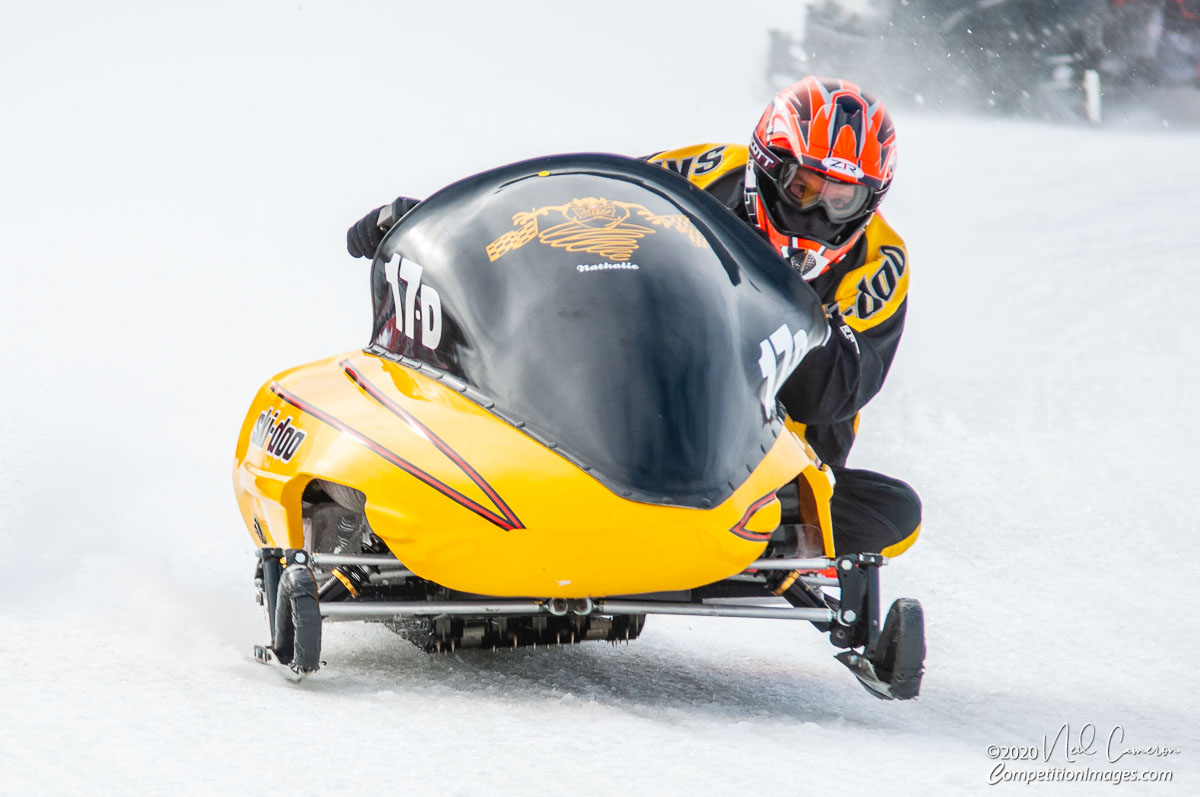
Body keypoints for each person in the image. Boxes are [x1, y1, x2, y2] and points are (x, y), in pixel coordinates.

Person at [344, 76, 921, 559]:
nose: (818, 212)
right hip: (630, 408)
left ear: (869, 202)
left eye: (840, 199)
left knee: (895, 510)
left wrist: (765, 296)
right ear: (768, 170)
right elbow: (565, 204)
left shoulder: (880, 266)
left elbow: (831, 394)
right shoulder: (700, 172)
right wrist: (434, 224)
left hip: (765, 467)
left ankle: (747, 534)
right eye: (803, 188)